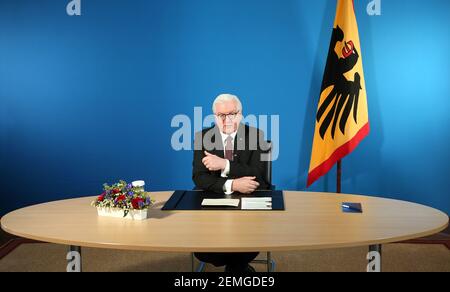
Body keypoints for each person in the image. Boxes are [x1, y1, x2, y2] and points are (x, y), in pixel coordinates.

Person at [192, 93, 270, 272]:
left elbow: (259, 174)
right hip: (214, 203)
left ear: (241, 114)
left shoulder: (257, 135)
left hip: (248, 203)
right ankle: (238, 268)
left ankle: (237, 268)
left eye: (232, 114)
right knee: (207, 251)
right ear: (215, 117)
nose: (227, 119)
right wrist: (233, 185)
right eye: (221, 115)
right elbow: (199, 177)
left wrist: (224, 164)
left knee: (244, 246)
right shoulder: (202, 137)